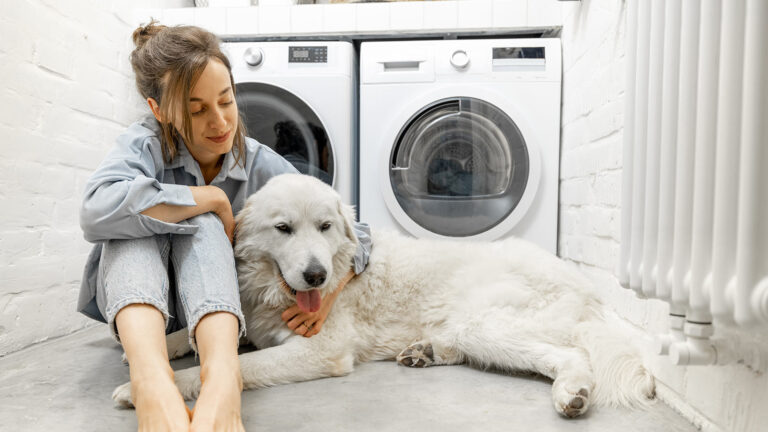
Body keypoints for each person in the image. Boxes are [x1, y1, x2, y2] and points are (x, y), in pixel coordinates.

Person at [76, 21, 371, 432]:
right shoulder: (143, 143)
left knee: (206, 226)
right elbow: (95, 210)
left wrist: (329, 293)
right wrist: (212, 198)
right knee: (142, 227)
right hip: (147, 311)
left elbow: (352, 230)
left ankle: (223, 381)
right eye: (197, 110)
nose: (219, 122)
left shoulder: (259, 161)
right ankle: (152, 383)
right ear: (159, 111)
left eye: (226, 101)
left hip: (218, 314)